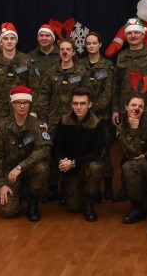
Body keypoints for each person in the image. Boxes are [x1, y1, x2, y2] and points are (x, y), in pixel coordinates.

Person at [111, 17, 147, 202]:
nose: (133, 36)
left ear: (143, 34)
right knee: (127, 148)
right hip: (128, 110)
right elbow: (116, 85)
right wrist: (116, 109)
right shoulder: (122, 57)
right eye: (130, 33)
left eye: (136, 32)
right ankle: (128, 187)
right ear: (126, 36)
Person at [0, 22, 32, 205]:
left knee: (22, 147)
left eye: (12, 38)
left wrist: (33, 112)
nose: (9, 42)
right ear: (0, 42)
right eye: (5, 39)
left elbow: (35, 87)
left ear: (16, 41)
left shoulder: (26, 60)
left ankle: (23, 185)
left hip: (22, 113)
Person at [33, 38, 88, 203]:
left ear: (73, 52)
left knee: (70, 153)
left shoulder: (81, 71)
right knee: (52, 154)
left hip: (74, 121)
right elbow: (43, 97)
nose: (64, 52)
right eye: (62, 49)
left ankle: (67, 188)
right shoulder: (52, 72)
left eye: (68, 49)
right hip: (54, 121)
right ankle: (52, 188)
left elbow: (87, 96)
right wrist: (42, 119)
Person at [0, 85, 51, 221]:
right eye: (18, 102)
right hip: (10, 174)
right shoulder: (1, 127)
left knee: (42, 168)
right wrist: (1, 184)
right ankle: (19, 193)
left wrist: (20, 167)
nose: (22, 106)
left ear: (30, 104)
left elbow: (43, 149)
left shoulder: (37, 125)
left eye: (25, 103)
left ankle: (33, 202)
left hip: (29, 170)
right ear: (12, 104)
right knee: (7, 211)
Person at [52, 86, 106, 222]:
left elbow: (97, 152)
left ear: (90, 104)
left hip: (85, 164)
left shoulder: (97, 124)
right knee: (74, 207)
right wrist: (62, 161)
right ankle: (72, 187)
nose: (79, 107)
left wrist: (74, 162)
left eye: (83, 103)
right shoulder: (64, 120)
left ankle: (90, 200)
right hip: (69, 166)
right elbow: (57, 146)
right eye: (75, 103)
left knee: (95, 168)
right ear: (71, 104)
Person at [79, 32, 118, 200]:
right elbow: (77, 89)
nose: (91, 46)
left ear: (100, 44)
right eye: (88, 43)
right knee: (86, 151)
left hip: (102, 117)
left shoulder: (108, 66)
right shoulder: (80, 65)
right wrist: (84, 110)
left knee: (104, 152)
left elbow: (108, 92)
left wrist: (92, 110)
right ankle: (91, 189)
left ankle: (108, 187)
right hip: (83, 117)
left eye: (94, 43)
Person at [118, 93, 147, 224]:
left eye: (141, 106)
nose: (136, 109)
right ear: (126, 107)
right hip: (136, 162)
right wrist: (134, 129)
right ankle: (137, 208)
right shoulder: (122, 126)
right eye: (133, 105)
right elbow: (132, 152)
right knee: (129, 166)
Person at [28, 24, 59, 93]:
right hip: (36, 99)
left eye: (47, 35)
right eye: (41, 35)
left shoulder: (61, 55)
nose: (44, 38)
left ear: (53, 38)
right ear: (37, 38)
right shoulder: (30, 56)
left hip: (56, 98)